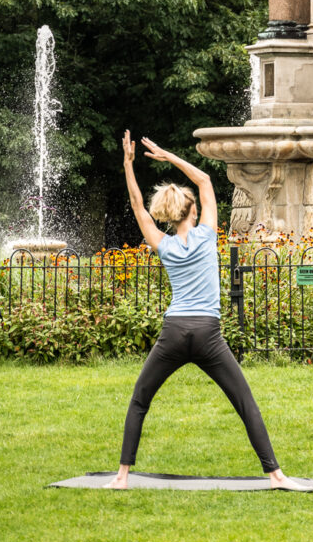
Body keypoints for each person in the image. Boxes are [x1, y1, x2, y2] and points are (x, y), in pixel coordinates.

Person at [108, 131, 289, 488]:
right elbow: (204, 178)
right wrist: (166, 155)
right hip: (207, 333)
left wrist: (129, 165)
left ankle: (122, 477)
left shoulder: (162, 243)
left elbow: (137, 206)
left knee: (139, 400)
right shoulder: (208, 234)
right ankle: (276, 475)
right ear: (193, 210)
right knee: (245, 402)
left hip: (174, 332)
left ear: (171, 215)